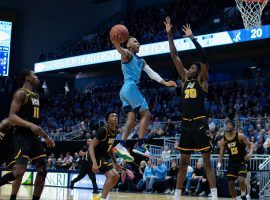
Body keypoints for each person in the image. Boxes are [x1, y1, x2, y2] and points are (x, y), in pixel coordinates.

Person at [164, 16, 218, 200]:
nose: (190, 68)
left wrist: (193, 38)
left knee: (207, 162)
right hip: (185, 124)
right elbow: (174, 56)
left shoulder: (203, 81)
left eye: (193, 67)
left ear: (198, 70)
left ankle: (214, 196)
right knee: (183, 163)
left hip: (200, 123)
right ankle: (177, 196)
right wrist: (170, 35)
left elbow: (203, 58)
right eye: (190, 67)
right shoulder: (186, 79)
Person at [111, 32, 177, 159]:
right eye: (135, 41)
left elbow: (151, 73)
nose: (138, 43)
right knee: (146, 114)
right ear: (129, 44)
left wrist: (164, 82)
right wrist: (117, 45)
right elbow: (122, 52)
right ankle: (140, 144)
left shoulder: (141, 61)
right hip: (130, 87)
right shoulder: (128, 54)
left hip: (124, 91)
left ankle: (121, 145)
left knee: (132, 120)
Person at [0, 69, 55, 200]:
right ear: (27, 78)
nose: (37, 77)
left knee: (43, 170)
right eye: (34, 75)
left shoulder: (35, 96)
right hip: (21, 137)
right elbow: (12, 116)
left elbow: (34, 123)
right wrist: (30, 125)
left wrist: (46, 137)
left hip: (34, 138)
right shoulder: (20, 93)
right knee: (19, 172)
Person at [89, 111, 122, 200]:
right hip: (95, 155)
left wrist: (115, 163)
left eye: (116, 116)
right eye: (112, 116)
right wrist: (94, 163)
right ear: (108, 120)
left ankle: (101, 195)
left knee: (116, 176)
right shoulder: (103, 130)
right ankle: (103, 198)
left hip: (103, 156)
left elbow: (110, 148)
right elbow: (91, 145)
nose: (115, 117)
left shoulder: (115, 132)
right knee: (110, 176)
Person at [217, 120, 253, 200]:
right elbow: (221, 154)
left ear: (233, 127)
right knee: (230, 184)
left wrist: (250, 153)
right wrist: (219, 164)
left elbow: (250, 145)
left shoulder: (240, 136)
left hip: (242, 162)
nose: (228, 126)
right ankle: (234, 198)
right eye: (227, 125)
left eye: (230, 125)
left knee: (241, 180)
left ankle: (243, 195)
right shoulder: (223, 140)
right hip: (231, 163)